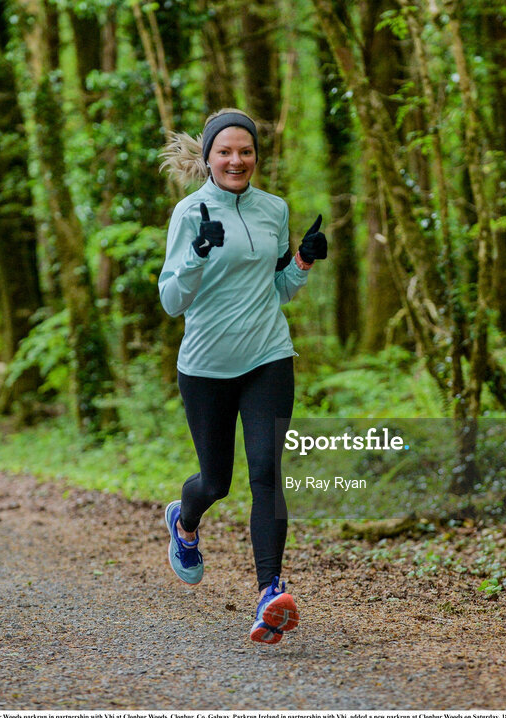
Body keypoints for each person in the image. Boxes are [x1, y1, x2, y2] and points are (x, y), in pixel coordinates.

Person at [157, 108, 327, 644]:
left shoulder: (273, 209)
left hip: (267, 356)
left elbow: (273, 290)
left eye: (246, 151)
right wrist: (197, 254)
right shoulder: (189, 213)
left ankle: (270, 594)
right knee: (216, 482)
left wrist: (300, 262)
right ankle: (185, 523)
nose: (237, 160)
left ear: (256, 155)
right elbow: (170, 300)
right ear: (207, 157)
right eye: (225, 151)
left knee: (265, 473)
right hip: (206, 365)